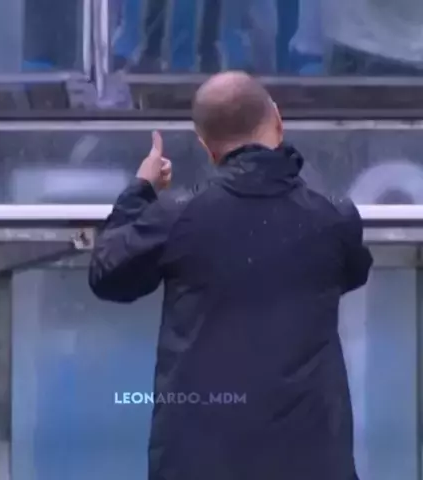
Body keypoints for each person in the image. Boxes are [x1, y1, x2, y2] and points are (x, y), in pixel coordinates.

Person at [88, 71, 373, 480]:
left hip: (199, 462)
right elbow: (354, 271)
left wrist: (141, 190)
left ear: (206, 146)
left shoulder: (179, 217)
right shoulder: (333, 216)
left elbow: (108, 273)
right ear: (278, 120)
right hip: (312, 461)